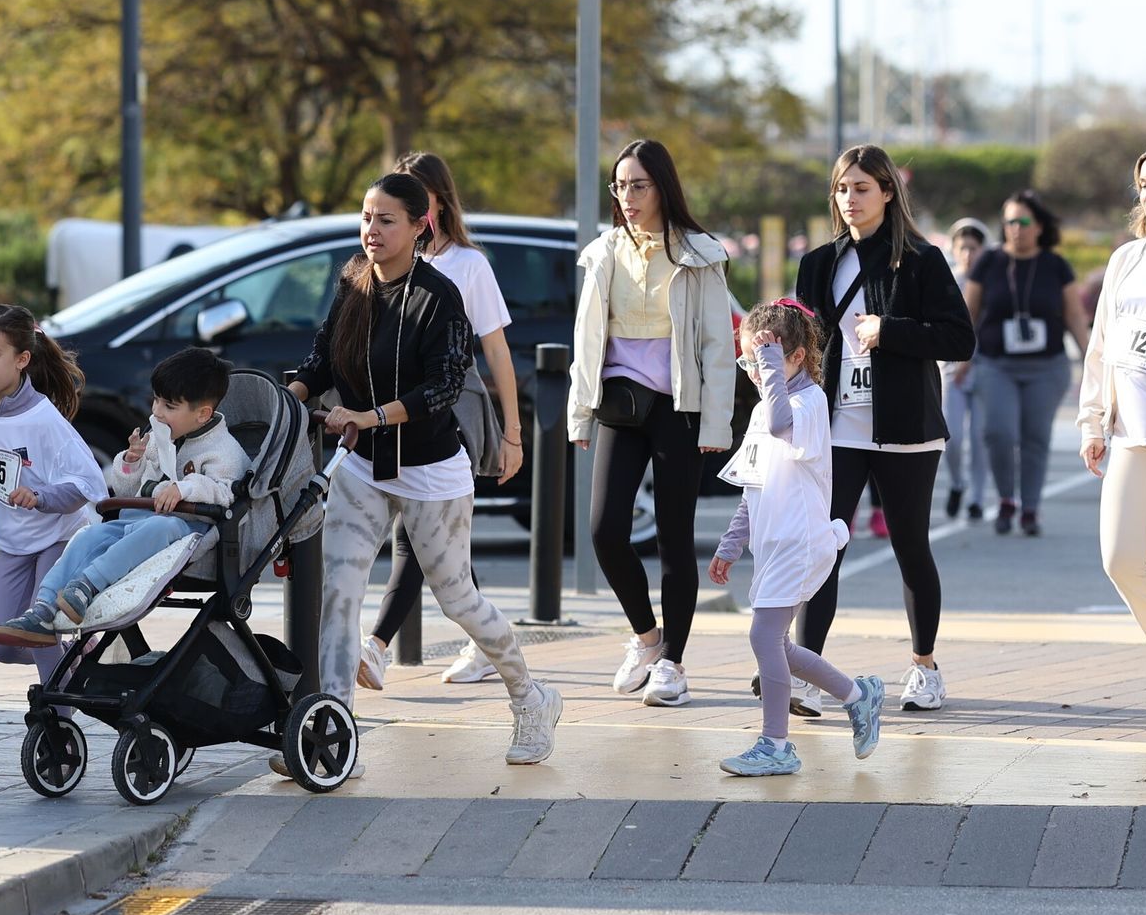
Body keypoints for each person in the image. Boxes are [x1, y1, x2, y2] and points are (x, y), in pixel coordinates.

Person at [287, 172, 562, 768]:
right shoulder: (353, 282)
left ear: (420, 226)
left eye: (387, 220)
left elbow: (441, 387)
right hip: (360, 466)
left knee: (458, 599)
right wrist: (292, 392)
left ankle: (531, 697)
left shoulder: (440, 296)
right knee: (338, 595)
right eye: (366, 217)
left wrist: (369, 414)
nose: (372, 230)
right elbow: (321, 353)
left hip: (432, 471)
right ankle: (330, 733)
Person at [792, 145, 975, 715]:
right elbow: (806, 342)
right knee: (823, 548)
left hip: (906, 430)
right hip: (838, 426)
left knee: (909, 546)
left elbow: (957, 338)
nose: (850, 200)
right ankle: (807, 673)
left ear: (888, 193)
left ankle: (924, 667)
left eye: (862, 188)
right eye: (842, 189)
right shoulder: (819, 262)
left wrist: (888, 331)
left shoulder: (922, 260)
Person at [568, 138, 736, 708]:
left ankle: (674, 663)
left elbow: (717, 345)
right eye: (619, 185)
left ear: (662, 186)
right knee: (603, 530)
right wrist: (580, 412)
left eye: (638, 184)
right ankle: (646, 637)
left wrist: (716, 425)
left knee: (674, 540)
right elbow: (586, 339)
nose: (627, 196)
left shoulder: (700, 254)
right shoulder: (603, 252)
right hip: (619, 405)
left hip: (678, 409)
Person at [357, 151, 525, 688]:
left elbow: (497, 351)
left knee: (417, 535)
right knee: (440, 546)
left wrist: (511, 434)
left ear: (433, 203)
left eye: (410, 198)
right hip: (385, 423)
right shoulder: (375, 263)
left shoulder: (467, 266)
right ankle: (485, 641)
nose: (385, 218)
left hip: (442, 418)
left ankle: (376, 646)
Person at [710, 300, 885, 776]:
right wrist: (731, 542)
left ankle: (775, 745)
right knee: (778, 645)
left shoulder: (806, 405)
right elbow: (753, 485)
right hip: (775, 545)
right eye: (747, 359)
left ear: (797, 357)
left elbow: (780, 423)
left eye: (761, 358)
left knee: (763, 635)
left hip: (800, 542)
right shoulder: (767, 407)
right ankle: (857, 695)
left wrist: (769, 366)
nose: (752, 369)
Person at [0, 347, 247, 646]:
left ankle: (86, 585)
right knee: (89, 536)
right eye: (156, 400)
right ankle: (44, 608)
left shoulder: (223, 451)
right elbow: (125, 490)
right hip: (135, 521)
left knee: (160, 527)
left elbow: (226, 491)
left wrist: (186, 487)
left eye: (169, 406)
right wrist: (132, 461)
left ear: (202, 414)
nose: (157, 412)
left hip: (186, 533)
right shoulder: (158, 439)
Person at [0, 304, 107, 683]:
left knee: (42, 633)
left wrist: (40, 497)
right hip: (13, 541)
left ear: (22, 359)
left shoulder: (45, 419)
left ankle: (59, 728)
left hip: (58, 537)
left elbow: (87, 485)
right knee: (0, 643)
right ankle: (74, 655)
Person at [963, 191, 1089, 536]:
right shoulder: (988, 262)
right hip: (995, 363)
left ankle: (1030, 508)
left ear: (1039, 226)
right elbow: (967, 315)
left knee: (1035, 438)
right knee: (998, 432)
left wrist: (1094, 362)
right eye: (1008, 222)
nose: (1014, 229)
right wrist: (958, 359)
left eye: (1022, 222)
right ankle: (1006, 498)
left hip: (1046, 367)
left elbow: (1075, 316)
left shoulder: (1055, 265)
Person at [1079, 142, 1146, 655]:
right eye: (1145, 184)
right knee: (1120, 559)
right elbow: (1101, 346)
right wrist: (1092, 421)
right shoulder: (1127, 258)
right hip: (1133, 434)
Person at [942, 218, 991, 520]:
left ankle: (977, 497)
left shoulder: (993, 282)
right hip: (950, 371)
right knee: (953, 437)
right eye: (963, 248)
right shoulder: (946, 283)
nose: (969, 255)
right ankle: (958, 483)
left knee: (980, 436)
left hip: (985, 369)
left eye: (974, 248)